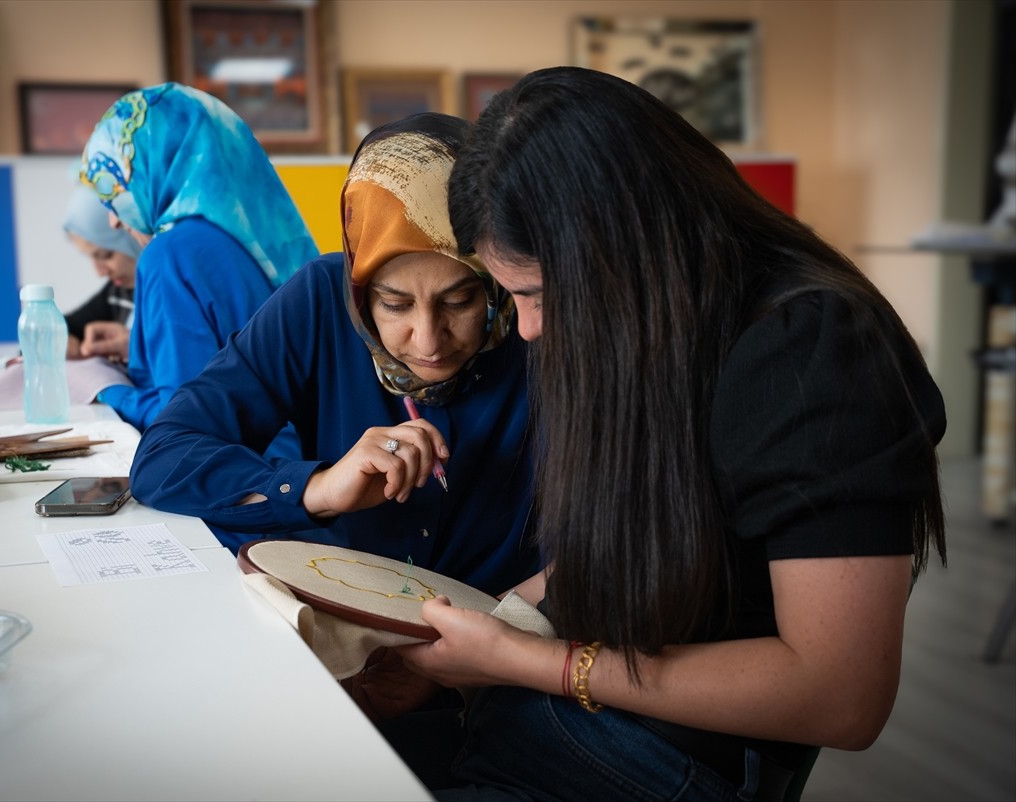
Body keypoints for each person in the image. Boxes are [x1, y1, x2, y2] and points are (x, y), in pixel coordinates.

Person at [390, 67, 949, 802]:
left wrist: (528, 661)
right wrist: (469, 633)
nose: (528, 327)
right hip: (572, 715)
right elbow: (615, 550)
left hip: (657, 759)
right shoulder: (660, 323)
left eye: (540, 295)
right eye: (514, 296)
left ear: (628, 250)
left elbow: (842, 697)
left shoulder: (810, 347)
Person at [130, 113, 540, 598]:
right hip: (346, 621)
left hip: (506, 643)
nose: (428, 341)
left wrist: (494, 641)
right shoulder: (321, 298)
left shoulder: (535, 319)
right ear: (359, 288)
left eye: (460, 301)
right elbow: (164, 456)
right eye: (394, 304)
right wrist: (318, 489)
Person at [79, 82, 317, 430]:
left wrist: (102, 389)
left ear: (152, 169)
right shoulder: (252, 236)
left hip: (250, 473)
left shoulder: (170, 254)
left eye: (113, 192)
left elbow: (185, 424)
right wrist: (135, 349)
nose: (114, 220)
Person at [60, 184, 141, 362]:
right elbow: (59, 325)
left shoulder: (172, 292)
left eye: (105, 255)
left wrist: (136, 349)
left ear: (132, 234)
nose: (100, 272)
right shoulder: (116, 292)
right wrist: (55, 341)